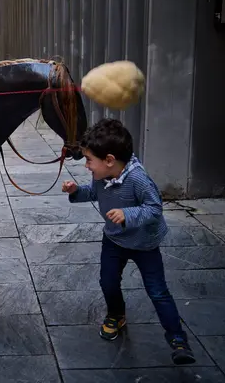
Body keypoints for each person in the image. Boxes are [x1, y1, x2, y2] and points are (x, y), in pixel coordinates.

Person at [61, 118, 196, 365]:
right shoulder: (103, 176)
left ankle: (177, 338)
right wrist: (75, 192)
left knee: (158, 291)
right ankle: (116, 314)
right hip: (114, 240)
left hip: (145, 245)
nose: (87, 166)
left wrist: (128, 214)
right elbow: (94, 193)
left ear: (110, 160)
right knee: (108, 281)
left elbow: (154, 208)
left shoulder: (139, 180)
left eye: (90, 160)